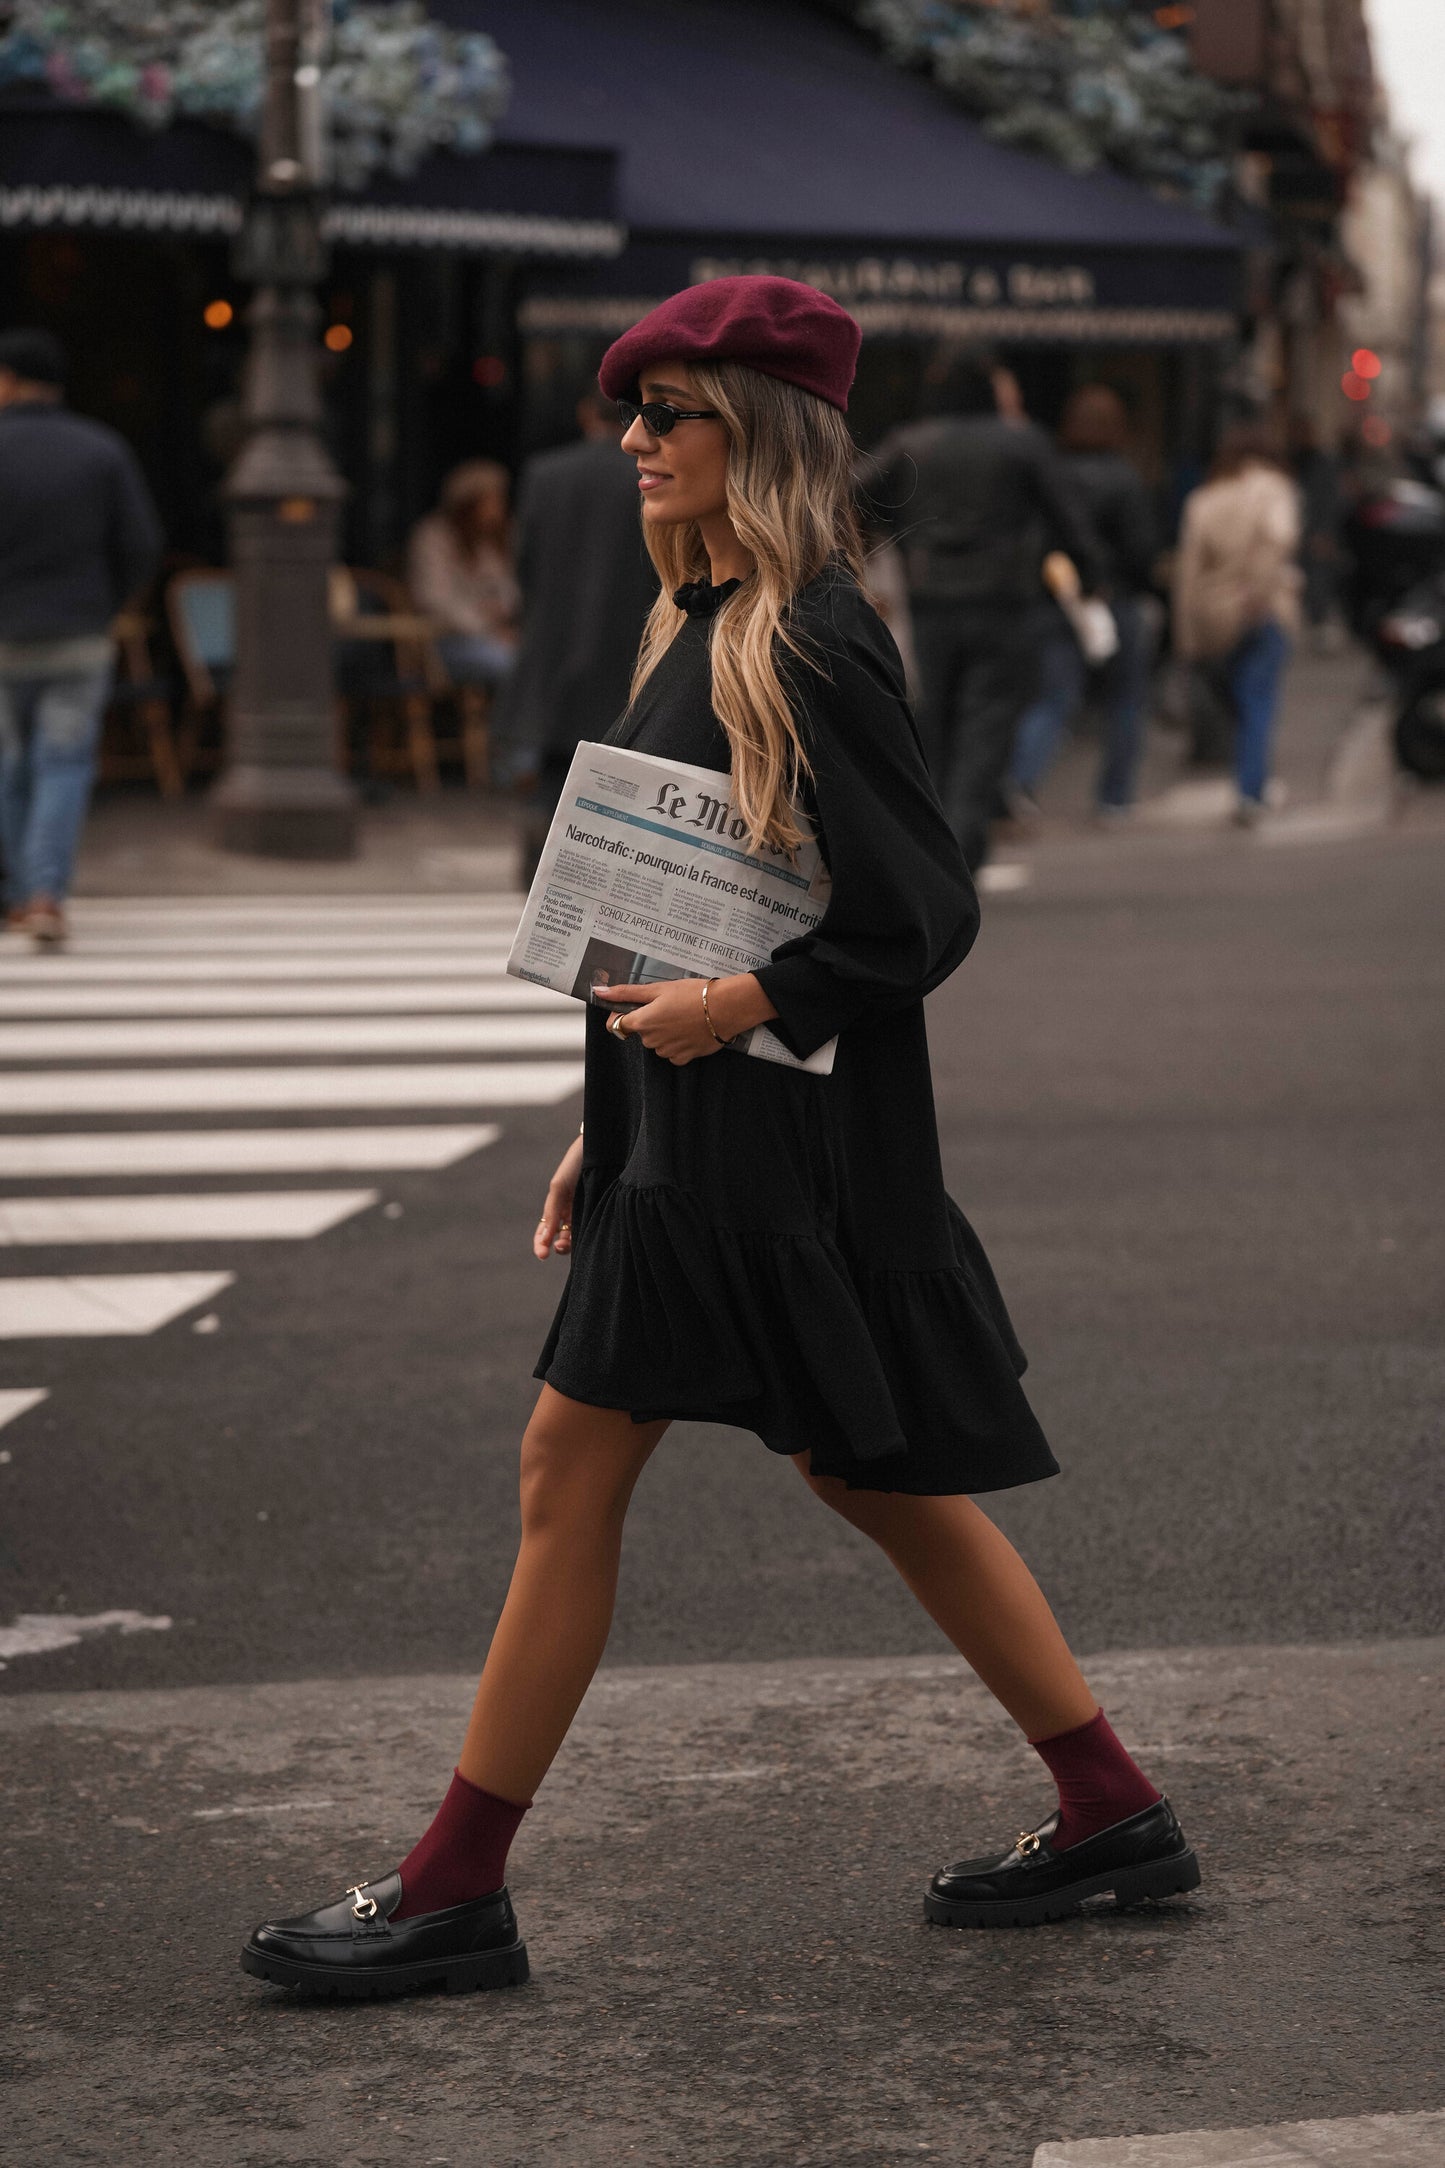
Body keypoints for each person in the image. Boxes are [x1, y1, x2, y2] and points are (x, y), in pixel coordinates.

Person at [241, 276, 1198, 2002]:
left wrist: (731, 1015)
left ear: (755, 433)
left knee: (588, 1471)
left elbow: (921, 914)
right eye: (635, 411)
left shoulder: (810, 633)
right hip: (707, 1141)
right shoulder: (706, 621)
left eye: (667, 413)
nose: (631, 441)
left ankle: (458, 1886)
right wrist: (604, 1118)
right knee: (873, 1474)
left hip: (776, 1150)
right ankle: (1111, 1798)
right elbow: (688, 905)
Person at [871, 346, 1103, 870]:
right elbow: (1070, 518)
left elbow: (851, 497)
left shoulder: (911, 443)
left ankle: (932, 848)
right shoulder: (1022, 444)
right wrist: (1090, 578)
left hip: (930, 603)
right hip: (1003, 603)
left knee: (935, 725)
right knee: (987, 726)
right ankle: (962, 845)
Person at [0, 327, 162, 947]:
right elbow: (141, 544)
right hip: (78, 632)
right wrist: (108, 605)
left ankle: (19, 893)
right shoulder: (101, 450)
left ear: (9, 380)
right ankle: (45, 893)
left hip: (6, 635)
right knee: (63, 763)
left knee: (12, 764)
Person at [498, 386, 659, 875]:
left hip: (554, 629)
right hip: (627, 631)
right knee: (619, 757)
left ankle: (539, 851)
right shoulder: (648, 476)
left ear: (584, 415)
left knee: (552, 751)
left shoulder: (545, 474)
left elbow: (523, 560)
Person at [1009, 384, 1159, 820]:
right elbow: (1141, 548)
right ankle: (1114, 796)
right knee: (1126, 699)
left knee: (1054, 697)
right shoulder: (1126, 479)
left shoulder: (1052, 474)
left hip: (1057, 599)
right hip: (1115, 599)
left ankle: (1020, 781)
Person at [1172, 424, 1302, 825]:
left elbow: (1188, 574)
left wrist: (1187, 636)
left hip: (1215, 615)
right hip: (1264, 611)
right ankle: (1250, 791)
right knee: (1257, 701)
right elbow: (1279, 539)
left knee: (1239, 697)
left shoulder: (1204, 500)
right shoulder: (1274, 490)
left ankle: (1249, 784)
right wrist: (1259, 592)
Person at [407, 459, 520, 692]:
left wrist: (500, 610)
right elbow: (435, 600)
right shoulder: (434, 538)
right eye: (490, 500)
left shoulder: (491, 542)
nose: (498, 509)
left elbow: (509, 591)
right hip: (443, 639)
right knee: (512, 663)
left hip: (493, 635)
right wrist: (484, 626)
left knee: (536, 659)